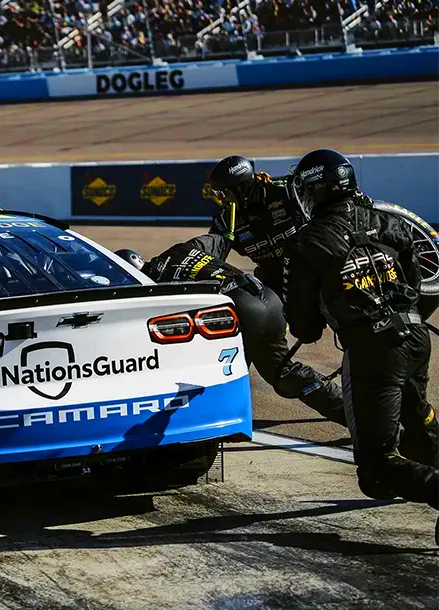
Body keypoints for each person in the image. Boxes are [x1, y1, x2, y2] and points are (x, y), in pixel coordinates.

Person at [283, 148, 438, 526]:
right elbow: (417, 283)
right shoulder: (389, 220)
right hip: (416, 336)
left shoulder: (306, 243)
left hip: (374, 352)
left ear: (315, 191)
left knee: (377, 466)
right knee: (418, 422)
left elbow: (303, 326)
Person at [116, 243, 346, 426]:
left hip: (243, 313)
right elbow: (220, 239)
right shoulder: (180, 249)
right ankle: (351, 416)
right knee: (284, 373)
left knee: (218, 374)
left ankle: (210, 423)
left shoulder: (152, 288)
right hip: (269, 301)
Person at [203, 155, 306, 297]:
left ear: (242, 188)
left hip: (311, 274)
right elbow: (209, 259)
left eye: (223, 192)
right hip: (272, 285)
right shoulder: (224, 220)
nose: (220, 199)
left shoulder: (287, 192)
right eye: (216, 193)